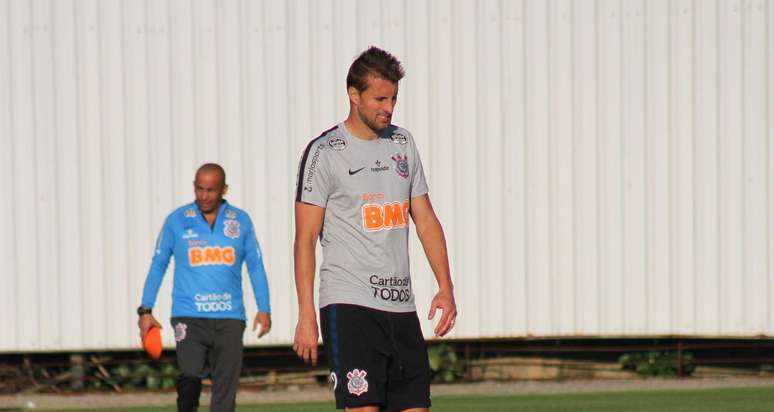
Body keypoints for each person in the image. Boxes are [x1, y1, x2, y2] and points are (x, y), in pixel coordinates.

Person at [293, 46, 457, 412]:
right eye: (380, 98)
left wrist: (445, 286)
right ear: (354, 96)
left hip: (402, 307)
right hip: (350, 305)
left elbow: (426, 219)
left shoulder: (403, 143)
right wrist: (306, 314)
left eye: (394, 98)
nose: (389, 107)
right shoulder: (325, 152)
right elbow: (304, 240)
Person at [137, 163, 271, 412]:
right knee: (189, 375)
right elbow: (158, 265)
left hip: (230, 316)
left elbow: (255, 265)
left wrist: (264, 308)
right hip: (188, 314)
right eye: (199, 189)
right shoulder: (177, 220)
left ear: (224, 190)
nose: (204, 196)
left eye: (210, 190)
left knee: (225, 389)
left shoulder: (240, 221)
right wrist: (145, 310)